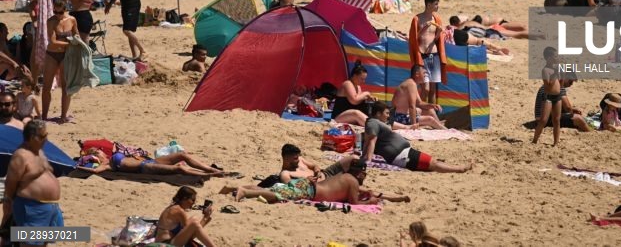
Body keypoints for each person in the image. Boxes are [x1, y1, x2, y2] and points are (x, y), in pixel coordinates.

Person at [233, 158, 409, 204]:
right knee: (277, 194)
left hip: (309, 186)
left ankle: (234, 187)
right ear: (361, 174)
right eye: (365, 174)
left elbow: (371, 192)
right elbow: (354, 202)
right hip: (311, 191)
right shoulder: (353, 183)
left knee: (277, 188)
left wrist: (399, 198)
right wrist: (372, 200)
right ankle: (245, 192)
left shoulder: (344, 177)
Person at [364, 101, 472, 173]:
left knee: (432, 162)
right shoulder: (373, 122)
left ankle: (454, 167)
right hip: (402, 155)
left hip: (403, 153)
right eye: (386, 113)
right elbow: (371, 141)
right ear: (378, 114)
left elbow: (368, 141)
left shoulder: (376, 123)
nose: (388, 116)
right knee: (433, 164)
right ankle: (459, 169)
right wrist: (368, 161)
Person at [2, 121, 64, 236]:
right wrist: (8, 208)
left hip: (50, 208)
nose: (46, 139)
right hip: (32, 208)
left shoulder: (40, 152)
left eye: (46, 135)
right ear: (31, 137)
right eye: (42, 136)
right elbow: (10, 183)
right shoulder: (21, 155)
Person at [41, 0, 78, 122]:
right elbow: (52, 42)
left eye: (60, 12)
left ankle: (63, 116)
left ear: (65, 10)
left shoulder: (72, 20)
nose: (57, 15)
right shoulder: (51, 21)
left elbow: (76, 34)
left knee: (65, 86)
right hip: (52, 54)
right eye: (55, 12)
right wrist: (70, 44)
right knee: (46, 86)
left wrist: (77, 42)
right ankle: (44, 116)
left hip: (66, 56)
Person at [78, 148, 224, 177]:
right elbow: (96, 171)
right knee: (179, 168)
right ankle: (206, 174)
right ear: (96, 157)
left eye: (99, 150)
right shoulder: (106, 165)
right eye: (97, 152)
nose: (101, 152)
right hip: (145, 168)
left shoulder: (111, 157)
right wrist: (79, 166)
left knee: (182, 155)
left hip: (149, 161)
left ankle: (210, 170)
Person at [408, 0, 446, 105]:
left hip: (434, 55)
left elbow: (436, 39)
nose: (437, 6)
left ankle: (431, 114)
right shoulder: (417, 18)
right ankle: (421, 111)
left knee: (433, 90)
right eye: (436, 4)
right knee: (425, 89)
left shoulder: (437, 19)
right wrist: (424, 28)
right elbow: (414, 38)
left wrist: (439, 32)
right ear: (429, 5)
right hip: (422, 56)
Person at [391, 65, 446, 129]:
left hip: (400, 114)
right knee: (430, 119)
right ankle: (445, 130)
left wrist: (433, 105)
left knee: (430, 110)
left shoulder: (412, 83)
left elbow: (420, 103)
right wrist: (414, 125)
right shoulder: (411, 84)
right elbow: (412, 106)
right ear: (417, 74)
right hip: (398, 117)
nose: (426, 75)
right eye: (424, 73)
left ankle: (439, 125)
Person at [532, 46, 562, 146]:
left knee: (556, 120)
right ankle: (535, 139)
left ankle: (556, 142)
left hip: (558, 96)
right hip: (548, 97)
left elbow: (560, 84)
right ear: (549, 58)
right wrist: (555, 74)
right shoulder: (545, 70)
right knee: (543, 120)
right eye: (555, 56)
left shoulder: (555, 69)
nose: (557, 58)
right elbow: (548, 85)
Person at [331, 61, 373, 126]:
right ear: (354, 76)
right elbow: (354, 101)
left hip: (349, 115)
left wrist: (368, 99)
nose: (363, 81)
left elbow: (359, 100)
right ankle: (374, 127)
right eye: (361, 79)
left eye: (364, 79)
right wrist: (366, 93)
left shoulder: (358, 87)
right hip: (339, 116)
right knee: (355, 113)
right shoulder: (347, 83)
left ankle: (384, 125)